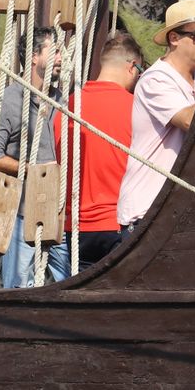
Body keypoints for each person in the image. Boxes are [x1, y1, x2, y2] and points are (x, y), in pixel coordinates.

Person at [117, 0, 195, 230]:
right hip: (147, 210)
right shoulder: (156, 79)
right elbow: (192, 121)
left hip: (175, 210)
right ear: (174, 38)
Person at [53, 33, 145, 270]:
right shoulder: (136, 108)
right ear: (132, 67)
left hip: (74, 229)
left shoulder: (68, 106)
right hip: (118, 225)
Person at [0, 26, 69, 286]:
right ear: (34, 57)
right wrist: (31, 170)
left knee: (65, 282)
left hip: (57, 212)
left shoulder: (62, 101)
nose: (61, 58)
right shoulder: (11, 99)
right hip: (22, 213)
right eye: (55, 51)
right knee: (19, 286)